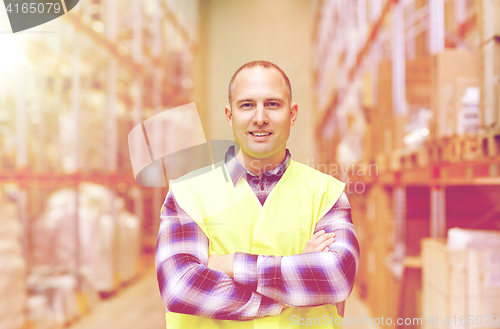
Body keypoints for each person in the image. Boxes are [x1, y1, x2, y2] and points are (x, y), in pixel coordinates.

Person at [156, 60, 359, 328]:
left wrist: (229, 264)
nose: (260, 117)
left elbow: (335, 276)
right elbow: (182, 287)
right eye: (247, 105)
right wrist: (295, 285)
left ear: (292, 113)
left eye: (273, 104)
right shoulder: (187, 195)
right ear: (230, 115)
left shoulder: (326, 193)